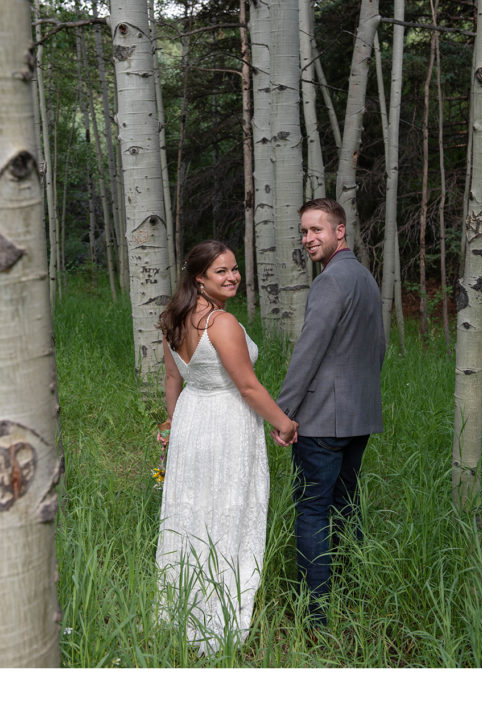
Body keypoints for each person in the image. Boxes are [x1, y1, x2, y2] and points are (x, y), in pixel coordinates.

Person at [155, 240, 298, 655]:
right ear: (199, 277)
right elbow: (249, 387)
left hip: (192, 421)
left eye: (235, 269)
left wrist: (174, 421)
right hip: (225, 423)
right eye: (222, 271)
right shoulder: (220, 323)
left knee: (194, 511)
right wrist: (284, 424)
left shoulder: (174, 318)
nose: (233, 276)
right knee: (228, 510)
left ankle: (182, 609)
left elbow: (171, 380)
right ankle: (216, 620)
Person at [271, 197, 385, 627]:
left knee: (313, 511)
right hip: (359, 416)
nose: (307, 238)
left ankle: (315, 615)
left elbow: (308, 350)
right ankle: (351, 593)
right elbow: (379, 347)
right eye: (303, 231)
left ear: (340, 231)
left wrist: (284, 412)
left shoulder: (331, 281)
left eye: (316, 229)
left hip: (322, 419)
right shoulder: (365, 278)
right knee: (344, 505)